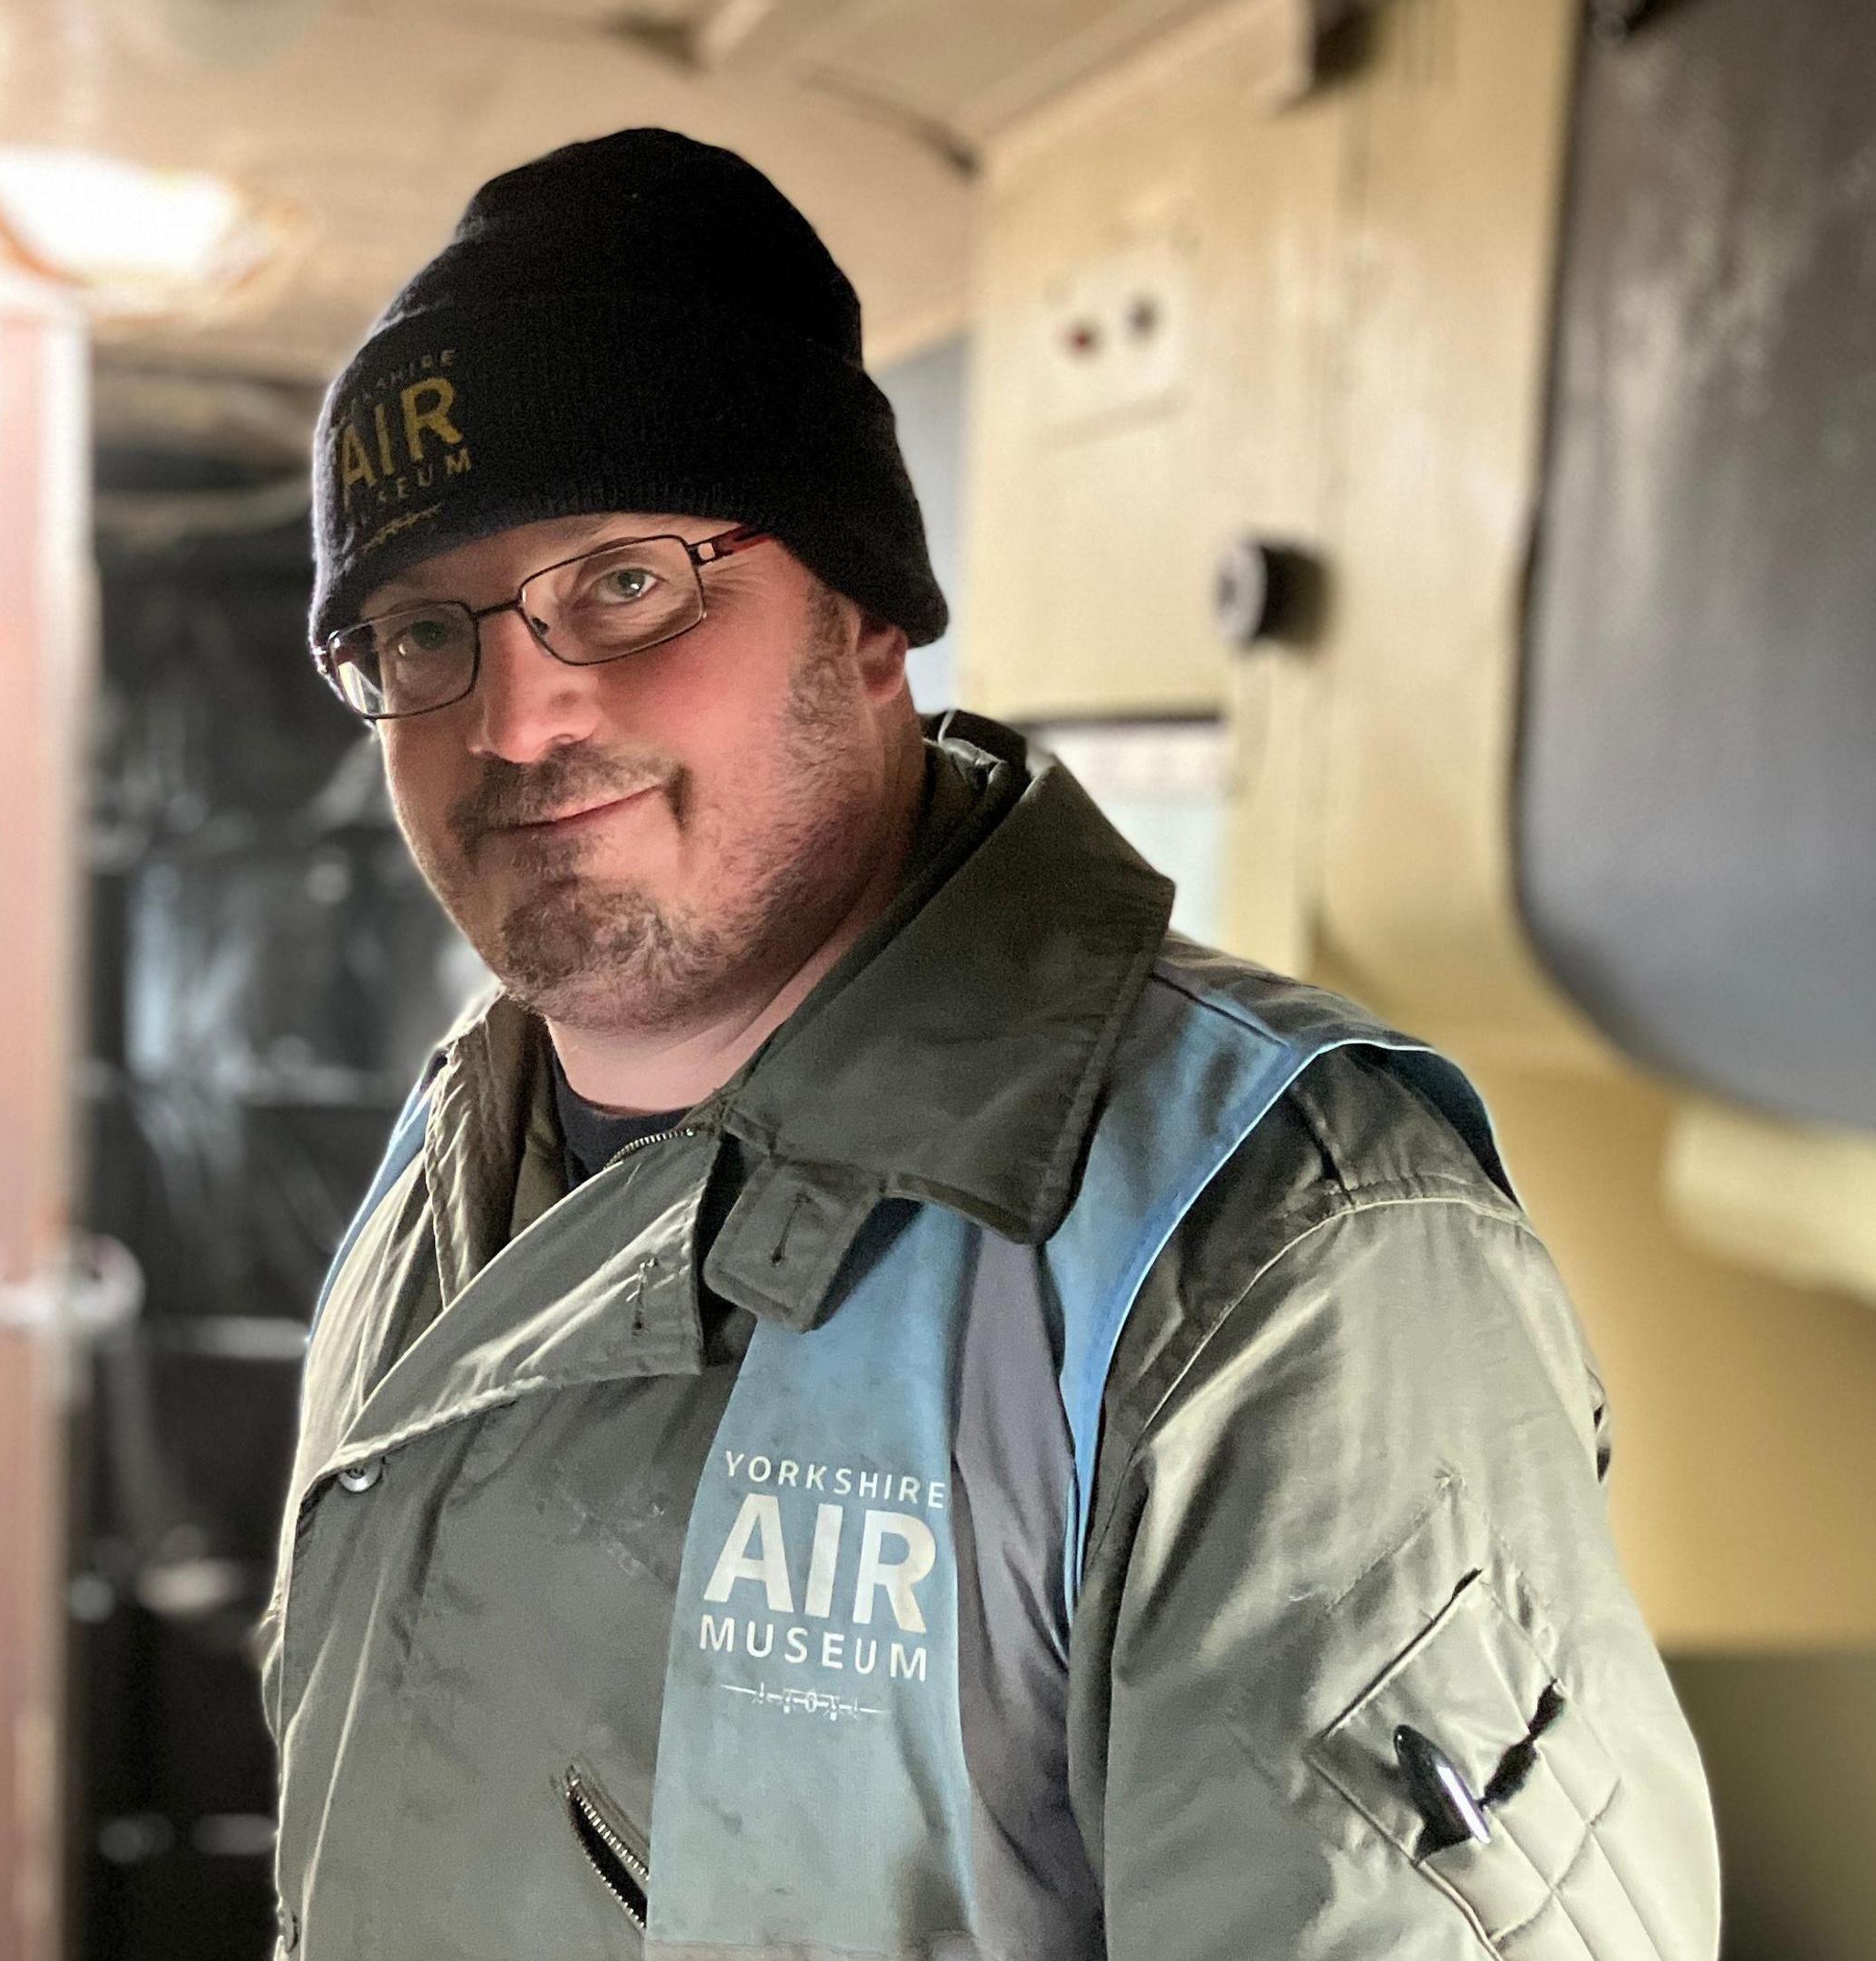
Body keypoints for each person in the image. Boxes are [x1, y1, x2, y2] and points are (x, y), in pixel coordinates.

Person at [253, 129, 1716, 1960]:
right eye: (418, 633)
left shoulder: (1279, 1259)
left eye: (622, 580)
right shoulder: (454, 1146)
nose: (522, 710)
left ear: (861, 615)